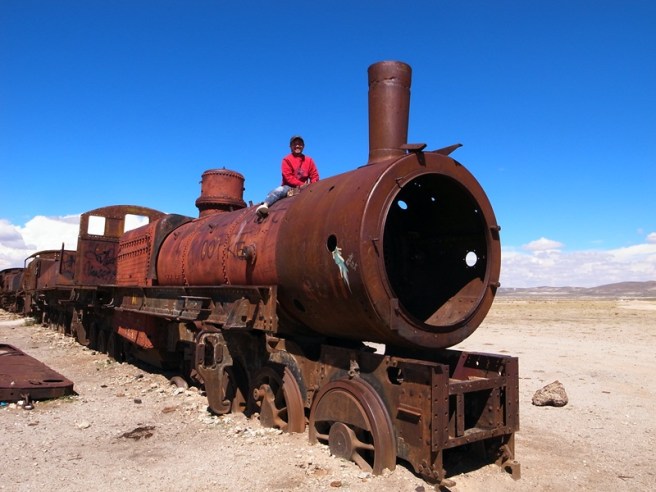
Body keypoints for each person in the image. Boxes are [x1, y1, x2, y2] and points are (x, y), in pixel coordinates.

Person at [256, 135, 319, 217]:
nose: (297, 146)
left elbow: (314, 175)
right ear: (290, 146)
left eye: (300, 144)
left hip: (306, 187)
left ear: (303, 146)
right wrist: (301, 185)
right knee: (279, 191)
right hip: (289, 186)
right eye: (294, 144)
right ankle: (265, 205)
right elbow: (288, 177)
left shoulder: (309, 160)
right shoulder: (286, 159)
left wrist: (313, 185)